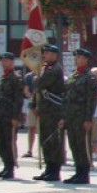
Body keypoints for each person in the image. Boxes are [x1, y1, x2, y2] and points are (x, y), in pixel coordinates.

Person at [60, 48, 97, 185]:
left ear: (86, 60)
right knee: (74, 145)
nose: (76, 59)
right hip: (71, 117)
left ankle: (84, 174)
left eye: (79, 57)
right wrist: (63, 117)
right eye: (75, 57)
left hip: (82, 117)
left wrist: (88, 118)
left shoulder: (89, 78)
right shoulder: (72, 76)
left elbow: (91, 100)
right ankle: (78, 171)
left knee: (83, 146)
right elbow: (66, 98)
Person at [0, 52, 23, 179]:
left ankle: (10, 168)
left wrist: (15, 117)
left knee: (9, 142)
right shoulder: (1, 78)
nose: (3, 63)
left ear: (12, 62)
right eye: (2, 61)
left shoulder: (16, 78)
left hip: (9, 116)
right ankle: (5, 165)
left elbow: (19, 100)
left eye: (6, 61)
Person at [33, 44, 66, 182]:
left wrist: (36, 78)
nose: (44, 56)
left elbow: (41, 84)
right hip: (46, 110)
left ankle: (55, 170)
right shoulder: (45, 68)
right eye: (44, 53)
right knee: (45, 140)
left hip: (54, 110)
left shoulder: (55, 69)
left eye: (47, 53)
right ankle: (48, 168)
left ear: (54, 55)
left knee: (53, 141)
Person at [22, 69, 37, 158]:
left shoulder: (46, 73)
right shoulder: (29, 76)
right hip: (32, 105)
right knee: (31, 128)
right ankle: (30, 150)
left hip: (45, 106)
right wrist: (33, 100)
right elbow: (26, 90)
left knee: (44, 129)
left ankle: (45, 152)